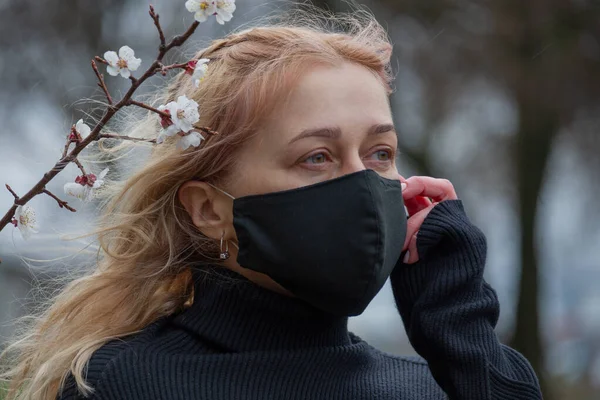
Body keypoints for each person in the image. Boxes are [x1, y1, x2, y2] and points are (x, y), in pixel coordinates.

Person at [1, 6, 542, 400]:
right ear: (210, 210)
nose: (362, 184)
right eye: (316, 157)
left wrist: (460, 327)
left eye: (380, 153)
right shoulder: (118, 384)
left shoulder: (428, 386)